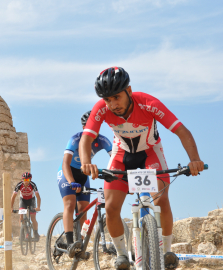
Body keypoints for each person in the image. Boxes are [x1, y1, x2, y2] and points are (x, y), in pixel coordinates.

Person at [79, 67, 204, 270]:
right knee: (110, 208)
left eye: (116, 97)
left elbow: (182, 131)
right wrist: (87, 162)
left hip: (151, 153)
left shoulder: (148, 102)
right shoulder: (101, 107)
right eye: (107, 99)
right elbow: (86, 138)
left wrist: (194, 160)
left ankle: (166, 251)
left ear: (129, 90)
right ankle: (121, 254)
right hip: (121, 156)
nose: (112, 104)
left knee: (161, 199)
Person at [57, 111, 112, 258]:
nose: (94, 129)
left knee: (83, 211)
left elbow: (114, 158)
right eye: (89, 126)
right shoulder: (75, 139)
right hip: (67, 173)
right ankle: (69, 244)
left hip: (83, 175)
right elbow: (65, 163)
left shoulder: (103, 140)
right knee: (70, 204)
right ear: (83, 127)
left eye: (97, 125)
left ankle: (80, 245)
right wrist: (70, 182)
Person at [11, 172, 41, 241]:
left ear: (30, 180)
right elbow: (13, 197)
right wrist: (11, 207)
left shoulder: (33, 185)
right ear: (22, 180)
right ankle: (23, 233)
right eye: (24, 180)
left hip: (31, 200)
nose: (26, 182)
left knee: (33, 218)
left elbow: (38, 197)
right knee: (21, 217)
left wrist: (38, 207)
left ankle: (36, 234)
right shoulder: (19, 185)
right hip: (23, 200)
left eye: (27, 180)